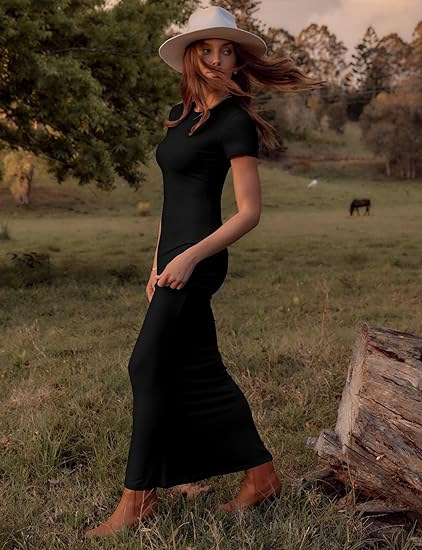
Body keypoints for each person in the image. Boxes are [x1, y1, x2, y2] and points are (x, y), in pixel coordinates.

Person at [84, 5, 325, 539]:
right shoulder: (179, 114)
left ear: (237, 60)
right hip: (171, 259)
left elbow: (249, 212)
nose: (217, 59)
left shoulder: (235, 121)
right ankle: (261, 476)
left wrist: (190, 257)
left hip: (200, 258)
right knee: (198, 366)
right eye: (207, 49)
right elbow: (172, 199)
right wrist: (156, 261)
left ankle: (138, 499)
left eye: (227, 50)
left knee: (146, 365)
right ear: (191, 56)